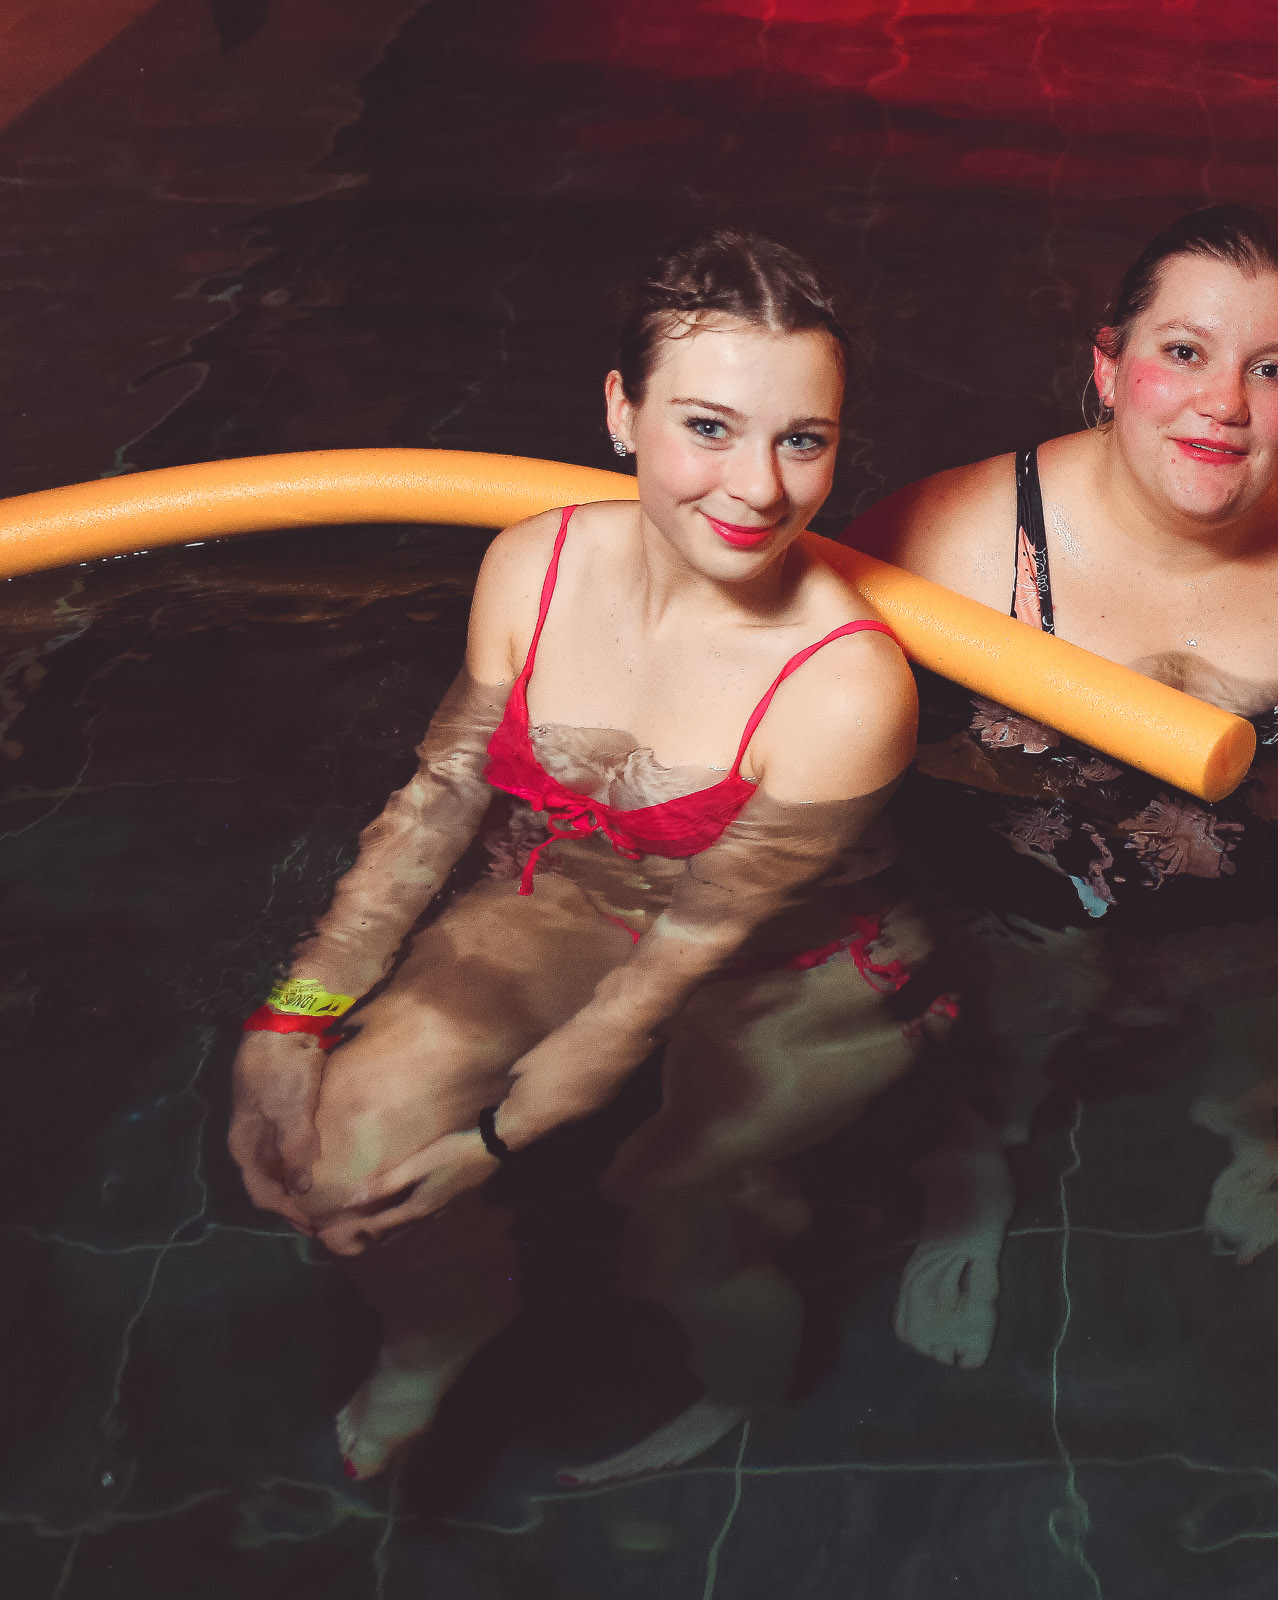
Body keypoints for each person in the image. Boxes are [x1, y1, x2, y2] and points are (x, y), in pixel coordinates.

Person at [227, 230, 930, 1483]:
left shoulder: (845, 685)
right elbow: (440, 797)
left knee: (668, 1225)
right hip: (569, 897)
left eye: (803, 440)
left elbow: (693, 946)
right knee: (347, 1150)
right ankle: (447, 1321)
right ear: (620, 411)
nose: (759, 488)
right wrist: (296, 1012)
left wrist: (503, 1137)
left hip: (794, 964)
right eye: (708, 428)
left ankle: (747, 1391)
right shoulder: (534, 566)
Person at [848, 204, 1278, 1369]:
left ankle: (1247, 1124)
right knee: (1031, 988)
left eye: (1270, 369)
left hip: (1274, 899)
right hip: (1026, 896)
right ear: (1107, 366)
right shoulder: (957, 538)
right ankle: (978, 1152)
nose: (1223, 403)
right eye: (1183, 352)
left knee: (1265, 969)